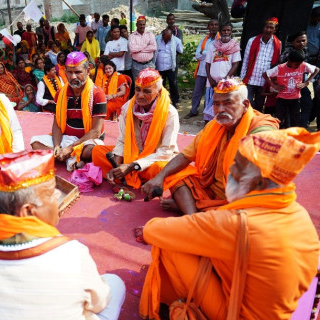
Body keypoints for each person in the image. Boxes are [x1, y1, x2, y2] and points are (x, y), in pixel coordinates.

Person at [139, 128, 320, 320]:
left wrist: (155, 229)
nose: (231, 170)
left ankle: (176, 304)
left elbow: (153, 230)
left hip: (236, 314)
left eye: (238, 166)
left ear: (258, 182)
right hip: (284, 310)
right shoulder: (300, 214)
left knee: (169, 244)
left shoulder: (237, 223)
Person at [0, 150, 126, 320]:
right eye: (51, 194)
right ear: (28, 210)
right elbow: (98, 303)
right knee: (115, 284)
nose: (57, 197)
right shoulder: (71, 253)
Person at [143, 78, 279, 215]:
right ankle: (194, 215)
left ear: (245, 104)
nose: (220, 109)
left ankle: (195, 209)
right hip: (211, 189)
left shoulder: (261, 128)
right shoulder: (213, 126)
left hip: (240, 197)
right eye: (216, 104)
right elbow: (185, 156)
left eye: (228, 103)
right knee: (174, 174)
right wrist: (160, 177)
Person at [91, 68, 179, 188]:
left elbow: (166, 151)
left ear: (158, 92)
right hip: (131, 154)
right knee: (97, 152)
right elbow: (122, 139)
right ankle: (127, 175)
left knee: (160, 168)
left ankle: (132, 174)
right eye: (137, 90)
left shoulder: (169, 112)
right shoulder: (128, 108)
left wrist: (133, 165)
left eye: (147, 91)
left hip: (154, 159)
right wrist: (116, 165)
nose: (140, 95)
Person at [30, 51, 106, 171]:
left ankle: (66, 156)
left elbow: (96, 131)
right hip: (66, 138)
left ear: (88, 70)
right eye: (69, 72)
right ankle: (71, 159)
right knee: (35, 143)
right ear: (65, 71)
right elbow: (57, 124)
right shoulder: (60, 94)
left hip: (87, 141)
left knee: (93, 150)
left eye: (78, 72)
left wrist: (70, 148)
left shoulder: (97, 94)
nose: (73, 77)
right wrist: (56, 146)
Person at [263, 49, 319, 128]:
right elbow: (265, 74)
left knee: (295, 120)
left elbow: (317, 69)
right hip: (282, 99)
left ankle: (293, 137)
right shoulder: (280, 68)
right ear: (289, 61)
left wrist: (306, 82)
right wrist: (274, 85)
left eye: (299, 64)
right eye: (296, 64)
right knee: (278, 120)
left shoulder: (303, 64)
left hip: (295, 99)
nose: (298, 66)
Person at [240, 17, 282, 112]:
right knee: (247, 102)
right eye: (267, 27)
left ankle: (256, 123)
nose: (268, 30)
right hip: (250, 79)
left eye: (271, 28)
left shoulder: (278, 44)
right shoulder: (252, 41)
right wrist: (243, 78)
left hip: (264, 81)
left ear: (275, 30)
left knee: (260, 105)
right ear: (263, 28)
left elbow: (275, 65)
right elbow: (246, 61)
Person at [203, 23, 241, 122]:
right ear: (220, 32)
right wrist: (210, 79)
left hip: (226, 83)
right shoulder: (213, 46)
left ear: (231, 32)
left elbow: (235, 65)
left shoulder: (235, 47)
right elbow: (207, 64)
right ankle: (208, 128)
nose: (226, 32)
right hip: (211, 83)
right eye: (224, 30)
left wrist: (224, 80)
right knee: (209, 107)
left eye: (228, 30)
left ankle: (219, 126)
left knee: (222, 106)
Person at [184, 19, 219, 119]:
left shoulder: (220, 40)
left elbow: (216, 56)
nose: (213, 27)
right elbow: (197, 55)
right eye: (211, 25)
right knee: (197, 92)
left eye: (216, 25)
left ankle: (207, 113)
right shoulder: (204, 39)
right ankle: (193, 110)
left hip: (213, 72)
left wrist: (204, 52)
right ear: (208, 27)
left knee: (210, 93)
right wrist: (208, 54)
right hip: (202, 70)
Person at [155, 28, 183, 109]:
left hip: (170, 67)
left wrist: (173, 54)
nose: (167, 40)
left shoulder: (176, 40)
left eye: (169, 38)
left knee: (173, 84)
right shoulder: (157, 39)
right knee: (160, 85)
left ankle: (175, 101)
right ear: (162, 36)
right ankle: (160, 101)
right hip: (159, 67)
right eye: (166, 38)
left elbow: (180, 51)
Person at [129, 16, 157, 81]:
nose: (142, 26)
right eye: (140, 24)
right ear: (136, 25)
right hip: (136, 66)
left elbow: (154, 47)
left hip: (149, 64)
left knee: (150, 85)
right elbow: (132, 49)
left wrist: (139, 49)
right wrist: (146, 45)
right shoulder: (132, 36)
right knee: (138, 85)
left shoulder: (150, 34)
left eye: (143, 24)